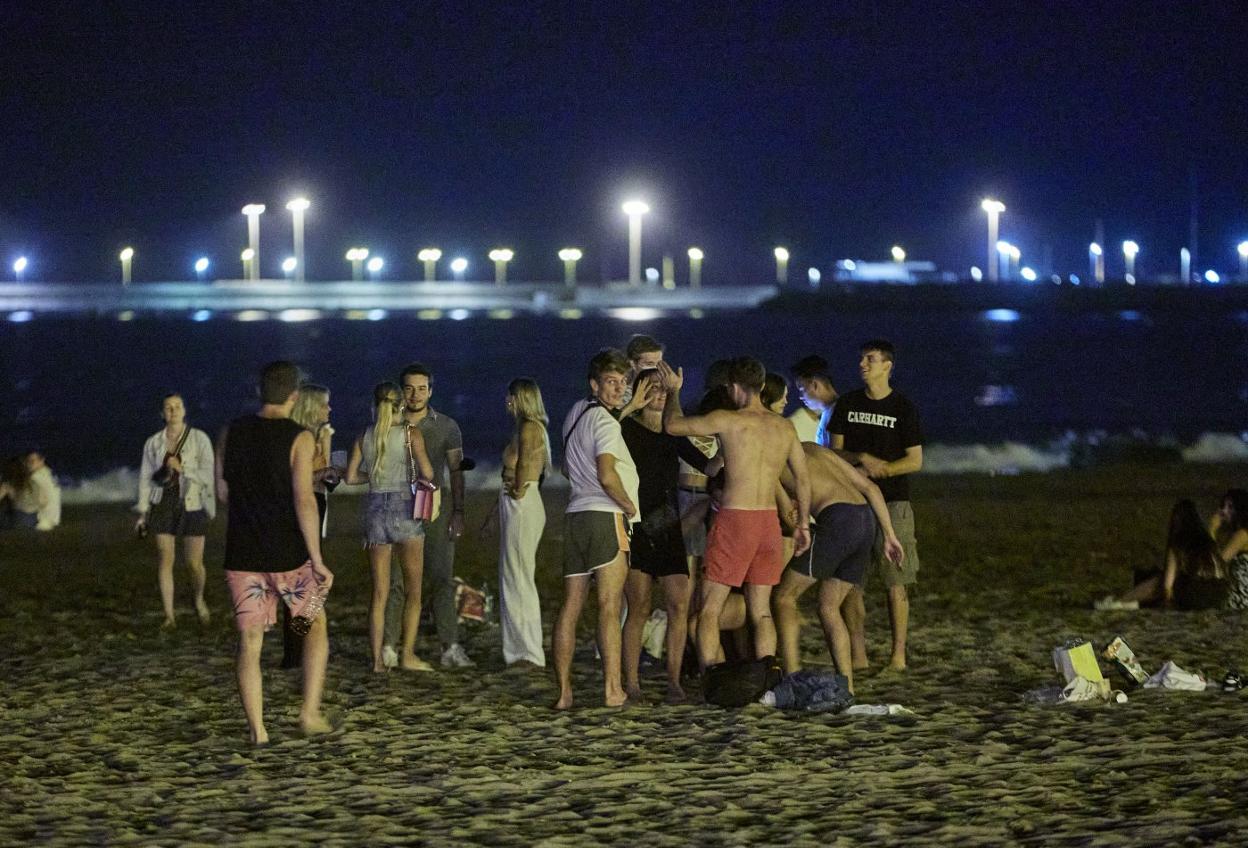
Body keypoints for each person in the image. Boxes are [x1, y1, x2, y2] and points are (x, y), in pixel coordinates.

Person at [657, 356, 811, 672]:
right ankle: (767, 672)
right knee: (762, 611)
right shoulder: (784, 426)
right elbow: (803, 478)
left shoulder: (728, 420)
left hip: (736, 518)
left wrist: (673, 392)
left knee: (711, 609)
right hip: (768, 521)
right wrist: (804, 523)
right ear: (762, 386)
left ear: (734, 387)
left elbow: (672, 426)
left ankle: (713, 675)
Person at [214, 361, 334, 743]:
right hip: (289, 556)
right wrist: (317, 559)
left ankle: (258, 729)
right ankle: (309, 712)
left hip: (243, 554)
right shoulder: (300, 438)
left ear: (258, 391)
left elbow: (222, 492)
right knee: (313, 621)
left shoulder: (229, 432)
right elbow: (304, 500)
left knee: (250, 642)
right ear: (294, 396)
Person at [772, 443, 904, 694]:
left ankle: (791, 677)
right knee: (829, 606)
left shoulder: (772, 459)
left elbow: (788, 515)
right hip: (866, 519)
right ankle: (847, 688)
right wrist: (889, 535)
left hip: (837, 519)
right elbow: (871, 487)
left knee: (783, 597)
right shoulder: (814, 449)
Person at [620, 369, 716, 703]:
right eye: (653, 389)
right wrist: (631, 407)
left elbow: (709, 465)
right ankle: (631, 682)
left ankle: (673, 681)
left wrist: (735, 439)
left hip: (668, 525)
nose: (660, 395)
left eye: (664, 390)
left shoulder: (671, 431)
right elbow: (598, 444)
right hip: (637, 525)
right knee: (639, 607)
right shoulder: (625, 428)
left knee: (679, 603)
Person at [828, 339, 923, 673]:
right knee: (852, 582)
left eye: (870, 359)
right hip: (853, 502)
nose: (862, 365)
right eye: (861, 359)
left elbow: (915, 460)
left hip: (894, 502)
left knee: (896, 581)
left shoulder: (903, 408)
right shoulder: (847, 404)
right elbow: (833, 451)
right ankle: (859, 653)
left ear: (887, 366)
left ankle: (898, 655)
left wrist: (883, 469)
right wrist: (859, 459)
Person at [552, 348, 639, 709]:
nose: (618, 389)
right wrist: (629, 505)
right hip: (605, 516)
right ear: (595, 384)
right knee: (608, 605)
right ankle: (612, 689)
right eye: (610, 382)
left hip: (575, 515)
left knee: (570, 607)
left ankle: (563, 693)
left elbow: (570, 470)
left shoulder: (576, 413)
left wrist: (628, 407)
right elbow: (606, 474)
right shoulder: (605, 424)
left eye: (622, 382)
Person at [383, 363, 473, 670]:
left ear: (431, 391)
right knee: (395, 581)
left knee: (440, 578)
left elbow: (457, 472)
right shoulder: (389, 425)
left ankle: (450, 646)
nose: (415, 394)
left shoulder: (447, 427)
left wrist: (458, 511)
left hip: (435, 508)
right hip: (395, 508)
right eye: (409, 388)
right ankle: (388, 647)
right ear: (401, 391)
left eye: (422, 388)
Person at [347, 381, 435, 673]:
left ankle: (377, 662)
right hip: (404, 508)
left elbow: (350, 478)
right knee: (413, 592)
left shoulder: (364, 435)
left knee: (380, 594)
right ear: (401, 405)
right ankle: (407, 654)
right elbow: (428, 473)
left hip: (375, 510)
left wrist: (374, 477)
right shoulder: (411, 434)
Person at [136, 396, 214, 628]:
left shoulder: (199, 439)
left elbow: (208, 475)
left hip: (193, 503)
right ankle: (169, 615)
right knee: (165, 559)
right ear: (162, 413)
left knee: (194, 563)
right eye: (168, 408)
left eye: (178, 406)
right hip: (163, 503)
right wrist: (142, 512)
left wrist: (184, 468)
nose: (173, 410)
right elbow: (145, 479)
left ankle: (198, 599)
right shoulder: (153, 443)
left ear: (184, 410)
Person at [281, 384, 338, 668]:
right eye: (324, 404)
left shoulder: (322, 434)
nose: (329, 409)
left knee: (308, 575)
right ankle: (296, 646)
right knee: (306, 577)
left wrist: (327, 475)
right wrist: (321, 474)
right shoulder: (294, 437)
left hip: (317, 502)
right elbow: (296, 479)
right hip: (300, 507)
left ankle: (298, 643)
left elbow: (318, 475)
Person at [498, 377, 551, 668]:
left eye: (510, 397)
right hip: (518, 500)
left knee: (518, 577)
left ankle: (527, 651)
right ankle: (519, 648)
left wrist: (518, 487)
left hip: (522, 500)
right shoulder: (527, 427)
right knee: (514, 575)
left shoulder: (529, 427)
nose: (507, 402)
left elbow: (527, 459)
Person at [1098, 499, 1229, 610]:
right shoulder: (1208, 541)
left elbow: (1167, 585)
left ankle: (1121, 602)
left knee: (1159, 580)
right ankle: (1130, 602)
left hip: (1197, 596)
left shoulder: (1180, 541)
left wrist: (1167, 600)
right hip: (1220, 595)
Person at [5, 451, 61, 531]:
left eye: (32, 461)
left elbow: (42, 501)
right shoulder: (50, 474)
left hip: (41, 520)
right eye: (28, 461)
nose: (29, 464)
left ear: (42, 461)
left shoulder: (35, 477)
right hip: (54, 519)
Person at [789, 355, 837, 445]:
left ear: (815, 384)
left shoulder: (839, 413)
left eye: (802, 389)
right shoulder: (829, 412)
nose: (800, 397)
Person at [1212, 489, 1248, 609]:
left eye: (1230, 507)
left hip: (1241, 596)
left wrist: (1212, 530)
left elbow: (1216, 564)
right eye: (1223, 506)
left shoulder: (1242, 534)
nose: (1224, 511)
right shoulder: (1238, 533)